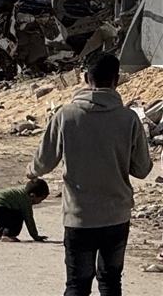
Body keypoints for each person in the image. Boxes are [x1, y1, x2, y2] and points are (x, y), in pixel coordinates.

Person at [27, 53, 153, 296]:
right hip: (116, 216)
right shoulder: (129, 119)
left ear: (85, 78)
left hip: (79, 217)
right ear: (116, 80)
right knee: (110, 283)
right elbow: (142, 169)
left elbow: (42, 164)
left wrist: (31, 171)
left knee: (77, 285)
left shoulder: (66, 115)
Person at [0, 178, 50, 243]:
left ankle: (2, 234)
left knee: (5, 214)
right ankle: (8, 235)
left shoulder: (20, 191)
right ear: (32, 196)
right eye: (41, 199)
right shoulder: (25, 201)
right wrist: (36, 237)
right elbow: (29, 219)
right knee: (18, 215)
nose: (40, 202)